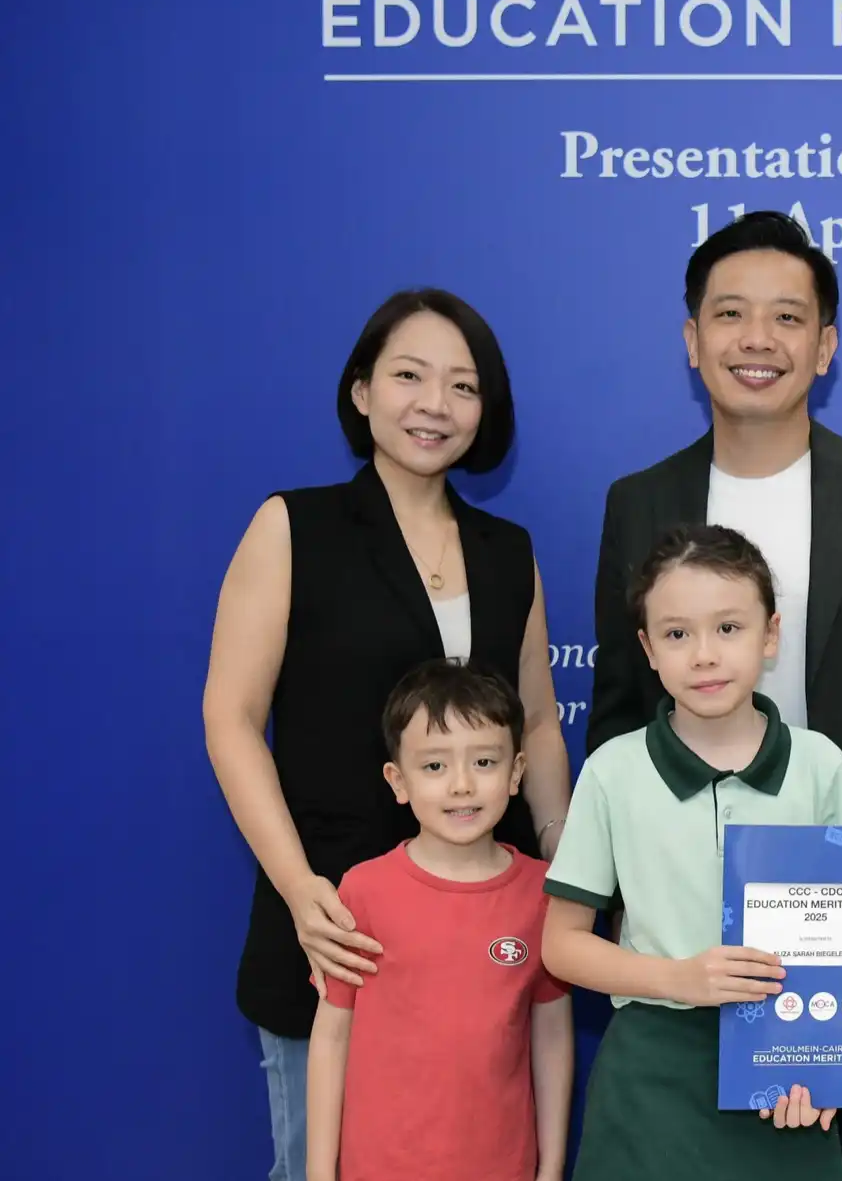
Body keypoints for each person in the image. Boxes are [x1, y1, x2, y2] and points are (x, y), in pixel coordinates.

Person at [583, 211, 842, 1180]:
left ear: (826, 345)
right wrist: (621, 901)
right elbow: (620, 710)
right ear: (692, 339)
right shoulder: (640, 501)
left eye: (787, 317)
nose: (757, 339)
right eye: (730, 314)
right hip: (683, 918)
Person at [201, 288, 574, 1180]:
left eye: (463, 385)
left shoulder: (507, 549)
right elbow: (231, 718)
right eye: (409, 376)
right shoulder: (293, 526)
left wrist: (565, 856)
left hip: (485, 940)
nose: (434, 404)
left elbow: (537, 716)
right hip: (338, 926)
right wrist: (302, 890)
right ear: (362, 390)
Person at [544, 523, 842, 1180]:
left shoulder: (821, 766)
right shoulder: (611, 771)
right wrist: (678, 978)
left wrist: (830, 1066)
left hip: (787, 1072)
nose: (704, 655)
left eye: (728, 627)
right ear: (647, 648)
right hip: (651, 1075)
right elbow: (562, 944)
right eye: (676, 634)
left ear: (770, 634)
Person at [305, 660, 574, 1181]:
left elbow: (552, 1034)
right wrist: (319, 1171)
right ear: (397, 780)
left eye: (484, 762)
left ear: (516, 772)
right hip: (379, 1168)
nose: (461, 785)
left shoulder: (542, 895)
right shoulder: (364, 892)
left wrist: (552, 1164)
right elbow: (332, 1036)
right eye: (434, 766)